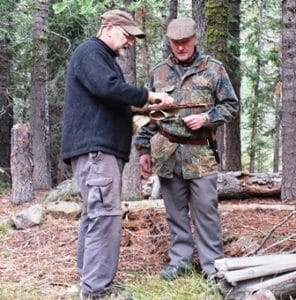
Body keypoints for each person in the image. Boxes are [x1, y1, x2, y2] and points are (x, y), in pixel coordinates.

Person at [61, 9, 173, 299]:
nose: (130, 43)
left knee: (95, 216)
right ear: (109, 27)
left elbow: (109, 96)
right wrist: (148, 96)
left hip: (97, 151)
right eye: (127, 35)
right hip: (97, 152)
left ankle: (90, 285)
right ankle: (97, 291)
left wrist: (142, 111)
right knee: (105, 216)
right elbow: (108, 88)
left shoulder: (101, 58)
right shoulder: (91, 52)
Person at [135, 17, 239, 281]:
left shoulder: (213, 70)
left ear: (195, 40)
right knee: (175, 211)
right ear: (169, 42)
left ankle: (212, 266)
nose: (180, 48)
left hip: (200, 153)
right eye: (175, 43)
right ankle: (179, 262)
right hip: (166, 152)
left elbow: (231, 106)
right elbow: (147, 114)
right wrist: (143, 150)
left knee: (206, 210)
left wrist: (206, 119)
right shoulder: (158, 72)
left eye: (185, 42)